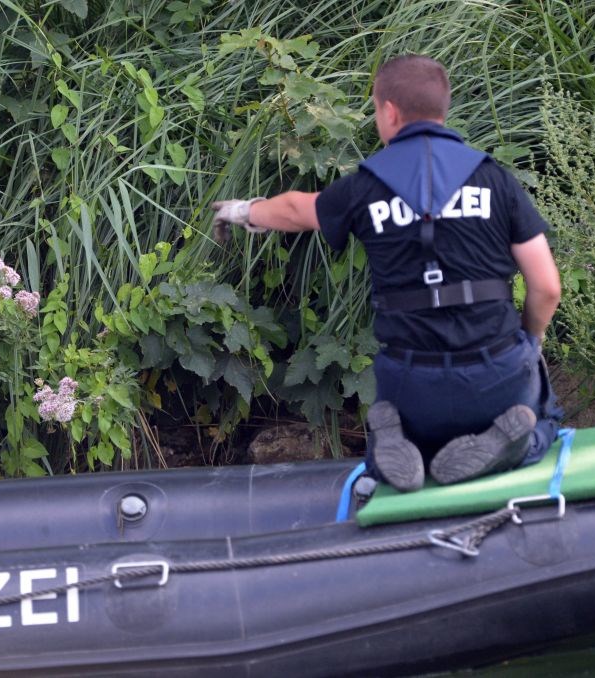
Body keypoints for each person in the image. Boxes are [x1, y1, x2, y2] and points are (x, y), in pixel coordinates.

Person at [212, 54, 562, 492]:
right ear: (442, 109)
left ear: (390, 111)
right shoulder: (496, 180)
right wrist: (529, 342)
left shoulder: (365, 187)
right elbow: (547, 286)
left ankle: (395, 446)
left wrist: (242, 210)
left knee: (414, 426)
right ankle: (505, 448)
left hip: (413, 387)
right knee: (543, 419)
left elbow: (297, 208)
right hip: (496, 377)